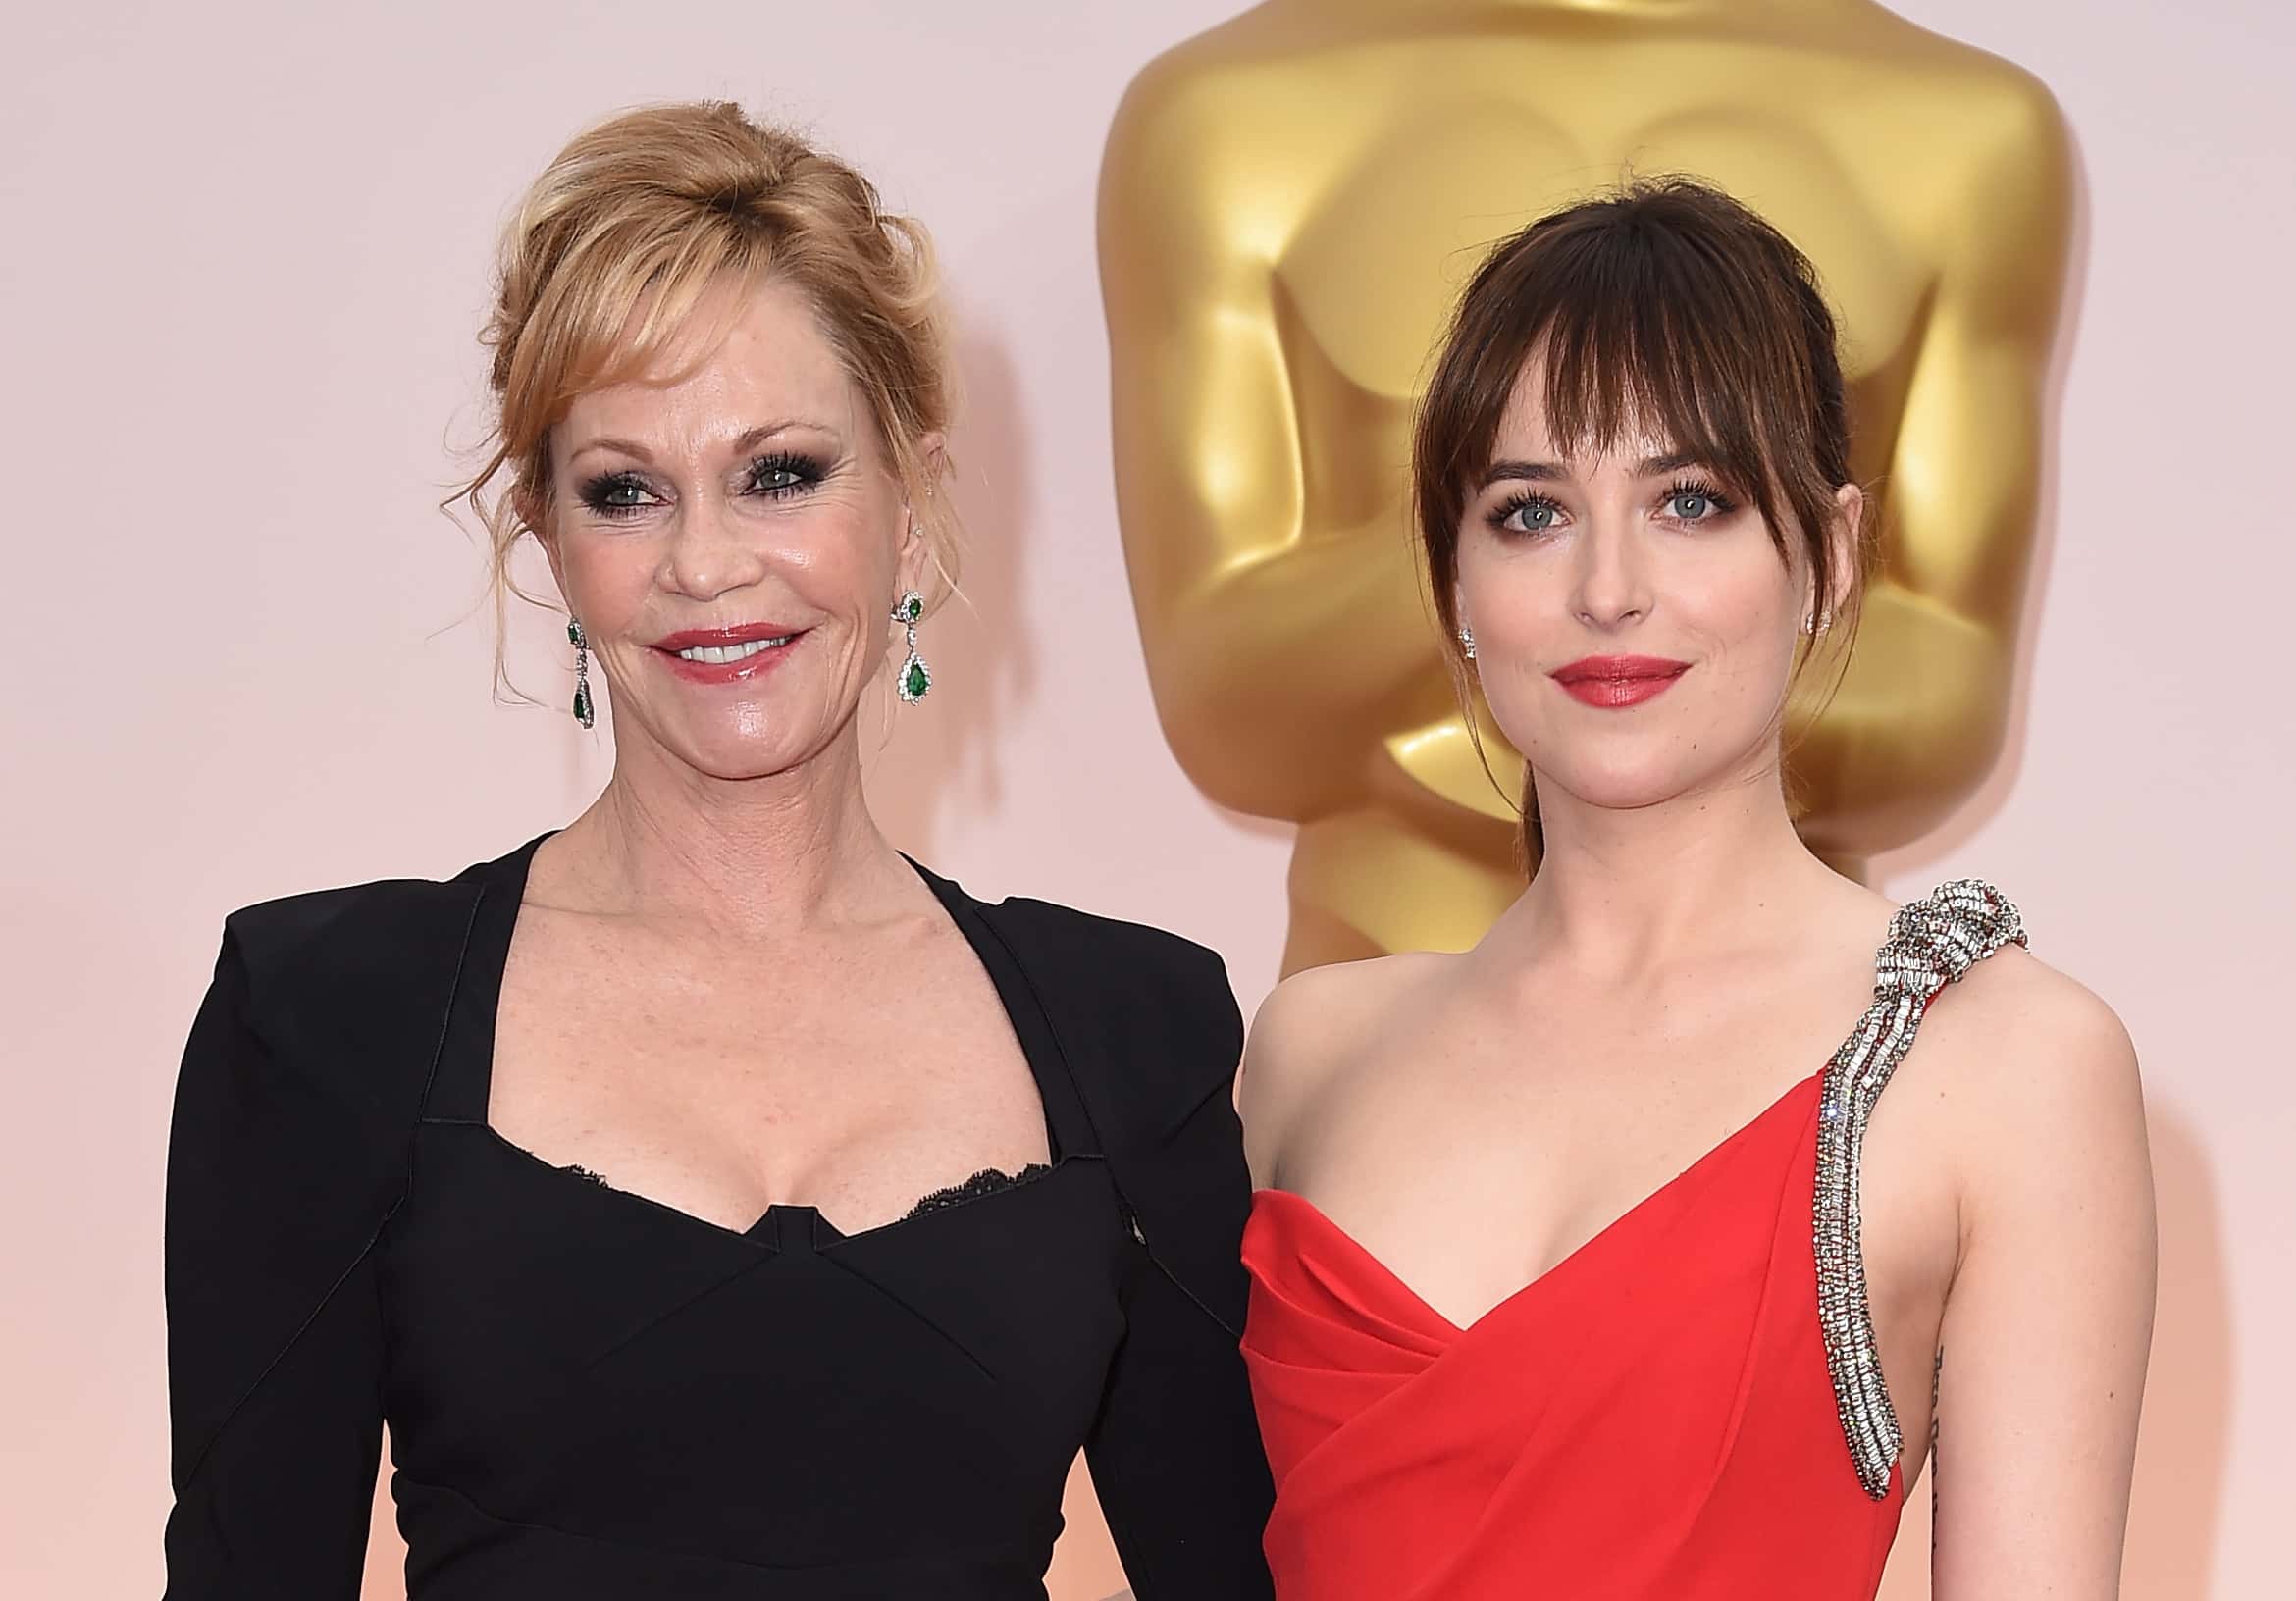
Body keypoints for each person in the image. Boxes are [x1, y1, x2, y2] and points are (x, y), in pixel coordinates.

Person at [161, 101, 1274, 1601]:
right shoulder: (326, 1014)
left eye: (781, 472)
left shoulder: (1134, 1032)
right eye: (626, 491)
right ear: (549, 539)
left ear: (909, 501)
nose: (704, 564)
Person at [1235, 180, 2153, 1600]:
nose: (1609, 588)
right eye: (1531, 513)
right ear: (1455, 583)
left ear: (1829, 555)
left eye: (1691, 501)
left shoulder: (2009, 1065)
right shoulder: (1311, 1050)